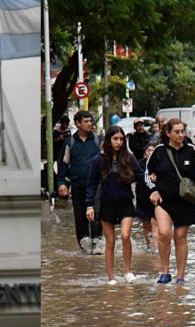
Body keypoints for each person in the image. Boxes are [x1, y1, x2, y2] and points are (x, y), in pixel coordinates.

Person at [146, 118, 195, 284]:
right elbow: (147, 173)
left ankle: (180, 276)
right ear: (168, 133)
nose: (181, 135)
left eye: (183, 131)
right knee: (164, 233)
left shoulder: (191, 150)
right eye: (177, 132)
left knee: (181, 236)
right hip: (164, 200)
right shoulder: (159, 151)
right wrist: (153, 190)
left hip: (186, 201)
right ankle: (165, 272)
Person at [86, 126, 145, 285]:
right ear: (108, 140)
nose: (118, 142)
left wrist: (152, 183)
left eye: (121, 139)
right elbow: (91, 184)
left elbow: (141, 176)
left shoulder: (129, 158)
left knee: (125, 236)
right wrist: (89, 205)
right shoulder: (98, 159)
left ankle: (127, 271)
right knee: (110, 242)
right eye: (115, 139)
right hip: (107, 204)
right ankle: (111, 277)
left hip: (125, 202)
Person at [57, 110, 103, 254]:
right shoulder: (69, 142)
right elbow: (63, 163)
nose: (90, 124)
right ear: (77, 124)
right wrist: (61, 182)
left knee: (96, 215)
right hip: (77, 185)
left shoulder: (98, 140)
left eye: (91, 121)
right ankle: (84, 249)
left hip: (97, 185)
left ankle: (98, 248)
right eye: (86, 121)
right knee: (80, 217)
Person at [137, 143, 159, 250]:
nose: (150, 152)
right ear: (145, 152)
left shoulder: (158, 163)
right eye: (148, 150)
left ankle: (156, 249)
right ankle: (149, 246)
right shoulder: (140, 163)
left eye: (153, 150)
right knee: (146, 224)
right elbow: (137, 176)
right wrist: (146, 177)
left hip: (156, 197)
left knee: (155, 223)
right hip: (142, 198)